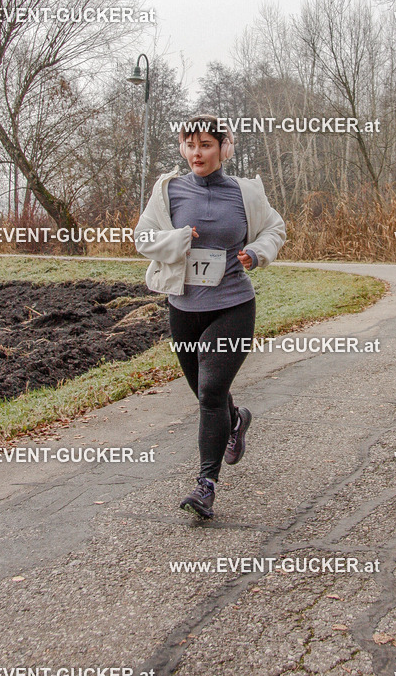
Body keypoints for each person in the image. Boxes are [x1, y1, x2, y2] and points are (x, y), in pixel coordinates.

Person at [133, 115, 286, 519]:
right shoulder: (168, 190)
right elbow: (143, 238)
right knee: (206, 394)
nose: (196, 153)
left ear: (223, 147)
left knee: (211, 392)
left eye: (205, 144)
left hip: (233, 304)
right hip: (183, 308)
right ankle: (236, 421)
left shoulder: (245, 192)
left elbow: (275, 228)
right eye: (189, 144)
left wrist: (257, 253)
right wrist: (178, 238)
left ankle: (206, 485)